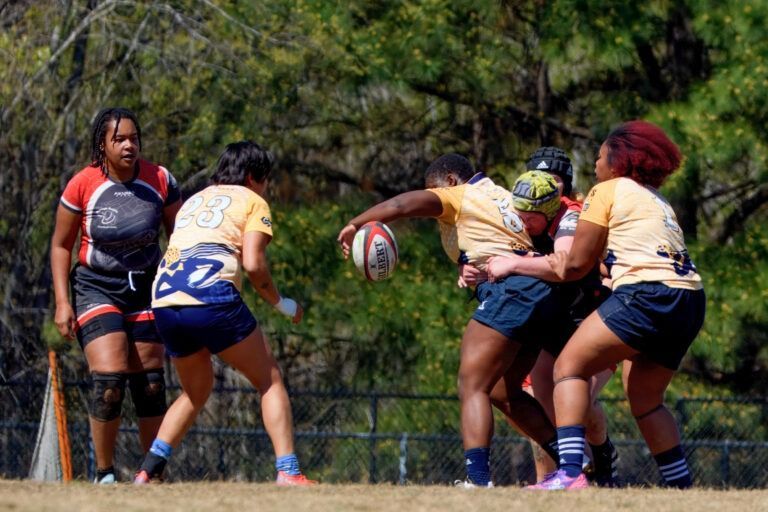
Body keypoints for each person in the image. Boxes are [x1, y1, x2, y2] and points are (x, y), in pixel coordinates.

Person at [337, 154, 562, 488]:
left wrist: (356, 222)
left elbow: (402, 205)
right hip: (540, 294)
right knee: (504, 391)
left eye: (435, 191)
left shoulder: (459, 195)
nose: (435, 206)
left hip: (510, 292)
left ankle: (479, 479)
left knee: (472, 385)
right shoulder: (499, 194)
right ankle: (575, 462)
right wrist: (470, 265)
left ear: (451, 181)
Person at [527, 121, 705, 490]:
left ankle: (570, 473)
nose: (595, 162)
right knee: (645, 398)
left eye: (600, 155)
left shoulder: (606, 189)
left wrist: (513, 264)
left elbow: (575, 264)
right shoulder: (656, 198)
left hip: (645, 294)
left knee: (568, 368)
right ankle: (681, 487)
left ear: (619, 160)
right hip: (689, 299)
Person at [133, 140, 315, 486]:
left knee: (194, 391)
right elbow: (253, 264)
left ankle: (148, 470)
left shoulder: (193, 201)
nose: (266, 187)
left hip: (165, 300)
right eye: (266, 179)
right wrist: (282, 303)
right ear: (253, 176)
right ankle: (289, 471)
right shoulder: (253, 200)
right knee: (269, 380)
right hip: (210, 294)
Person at [50, 107, 182, 483]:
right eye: (119, 139)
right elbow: (61, 245)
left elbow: (180, 236)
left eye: (134, 138)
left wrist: (178, 282)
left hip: (147, 288)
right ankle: (104, 474)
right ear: (102, 145)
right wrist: (62, 302)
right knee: (109, 380)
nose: (129, 145)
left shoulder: (160, 179)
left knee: (152, 386)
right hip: (96, 286)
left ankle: (150, 476)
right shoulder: (83, 183)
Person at [477, 168, 619, 486]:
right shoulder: (526, 221)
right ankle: (573, 468)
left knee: (575, 399)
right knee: (544, 392)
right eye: (520, 212)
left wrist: (513, 264)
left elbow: (564, 265)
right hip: (558, 322)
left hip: (594, 318)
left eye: (530, 215)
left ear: (549, 208)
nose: (523, 220)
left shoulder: (569, 218)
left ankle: (597, 465)